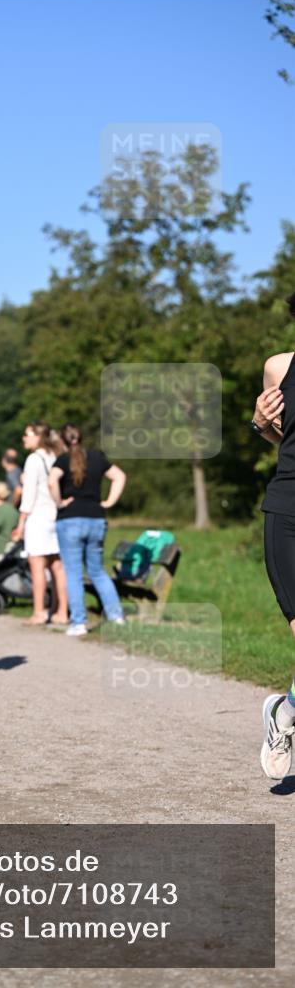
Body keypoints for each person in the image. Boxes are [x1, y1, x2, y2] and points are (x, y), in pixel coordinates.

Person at [253, 326, 295, 780]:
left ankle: (283, 713)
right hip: (289, 512)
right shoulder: (279, 367)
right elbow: (281, 439)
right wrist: (261, 423)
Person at [49, 424, 126, 636]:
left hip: (70, 520)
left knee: (73, 573)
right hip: (96, 519)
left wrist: (59, 503)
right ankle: (116, 616)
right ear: (81, 438)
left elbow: (51, 481)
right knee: (98, 571)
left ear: (63, 441)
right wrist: (109, 502)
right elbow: (120, 477)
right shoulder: (97, 458)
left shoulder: (62, 460)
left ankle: (79, 623)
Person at [12, 422, 68, 626]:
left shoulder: (34, 459)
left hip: (38, 517)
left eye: (27, 435)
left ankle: (39, 611)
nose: (24, 439)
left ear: (38, 437)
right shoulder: (56, 455)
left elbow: (28, 496)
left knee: (37, 566)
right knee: (58, 566)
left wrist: (21, 522)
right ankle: (61, 610)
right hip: (56, 515)